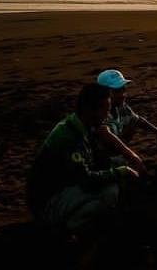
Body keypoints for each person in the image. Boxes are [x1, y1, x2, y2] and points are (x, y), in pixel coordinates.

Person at [27, 83, 140, 238]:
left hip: (61, 188)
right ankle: (72, 228)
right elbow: (87, 179)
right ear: (89, 110)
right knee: (109, 193)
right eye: (105, 110)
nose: (107, 116)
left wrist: (124, 163)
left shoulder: (78, 125)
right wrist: (122, 172)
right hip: (47, 203)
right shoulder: (70, 137)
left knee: (116, 167)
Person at [96, 69, 157, 173]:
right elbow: (110, 142)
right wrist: (132, 157)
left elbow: (138, 120)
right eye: (117, 91)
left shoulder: (121, 107)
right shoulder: (98, 115)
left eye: (123, 89)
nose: (122, 94)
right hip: (102, 160)